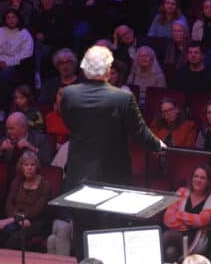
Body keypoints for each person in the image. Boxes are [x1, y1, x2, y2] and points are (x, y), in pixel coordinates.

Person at [60, 46, 165, 187]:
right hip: (112, 170)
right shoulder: (124, 97)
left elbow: (68, 122)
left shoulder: (68, 94)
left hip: (79, 169)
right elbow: (138, 131)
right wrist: (157, 145)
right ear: (107, 70)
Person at [0, 151, 53, 249]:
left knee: (14, 239)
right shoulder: (16, 181)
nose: (29, 168)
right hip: (14, 218)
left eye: (32, 165)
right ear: (21, 167)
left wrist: (13, 220)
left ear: (37, 167)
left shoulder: (45, 185)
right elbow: (9, 205)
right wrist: (15, 219)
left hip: (34, 222)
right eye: (26, 165)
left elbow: (37, 210)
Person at [162, 165, 211, 263]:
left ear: (208, 182)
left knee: (167, 235)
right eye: (196, 176)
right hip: (178, 237)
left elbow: (202, 221)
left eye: (203, 178)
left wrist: (179, 215)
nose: (198, 180)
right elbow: (168, 219)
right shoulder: (181, 192)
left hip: (197, 240)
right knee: (170, 252)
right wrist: (190, 224)